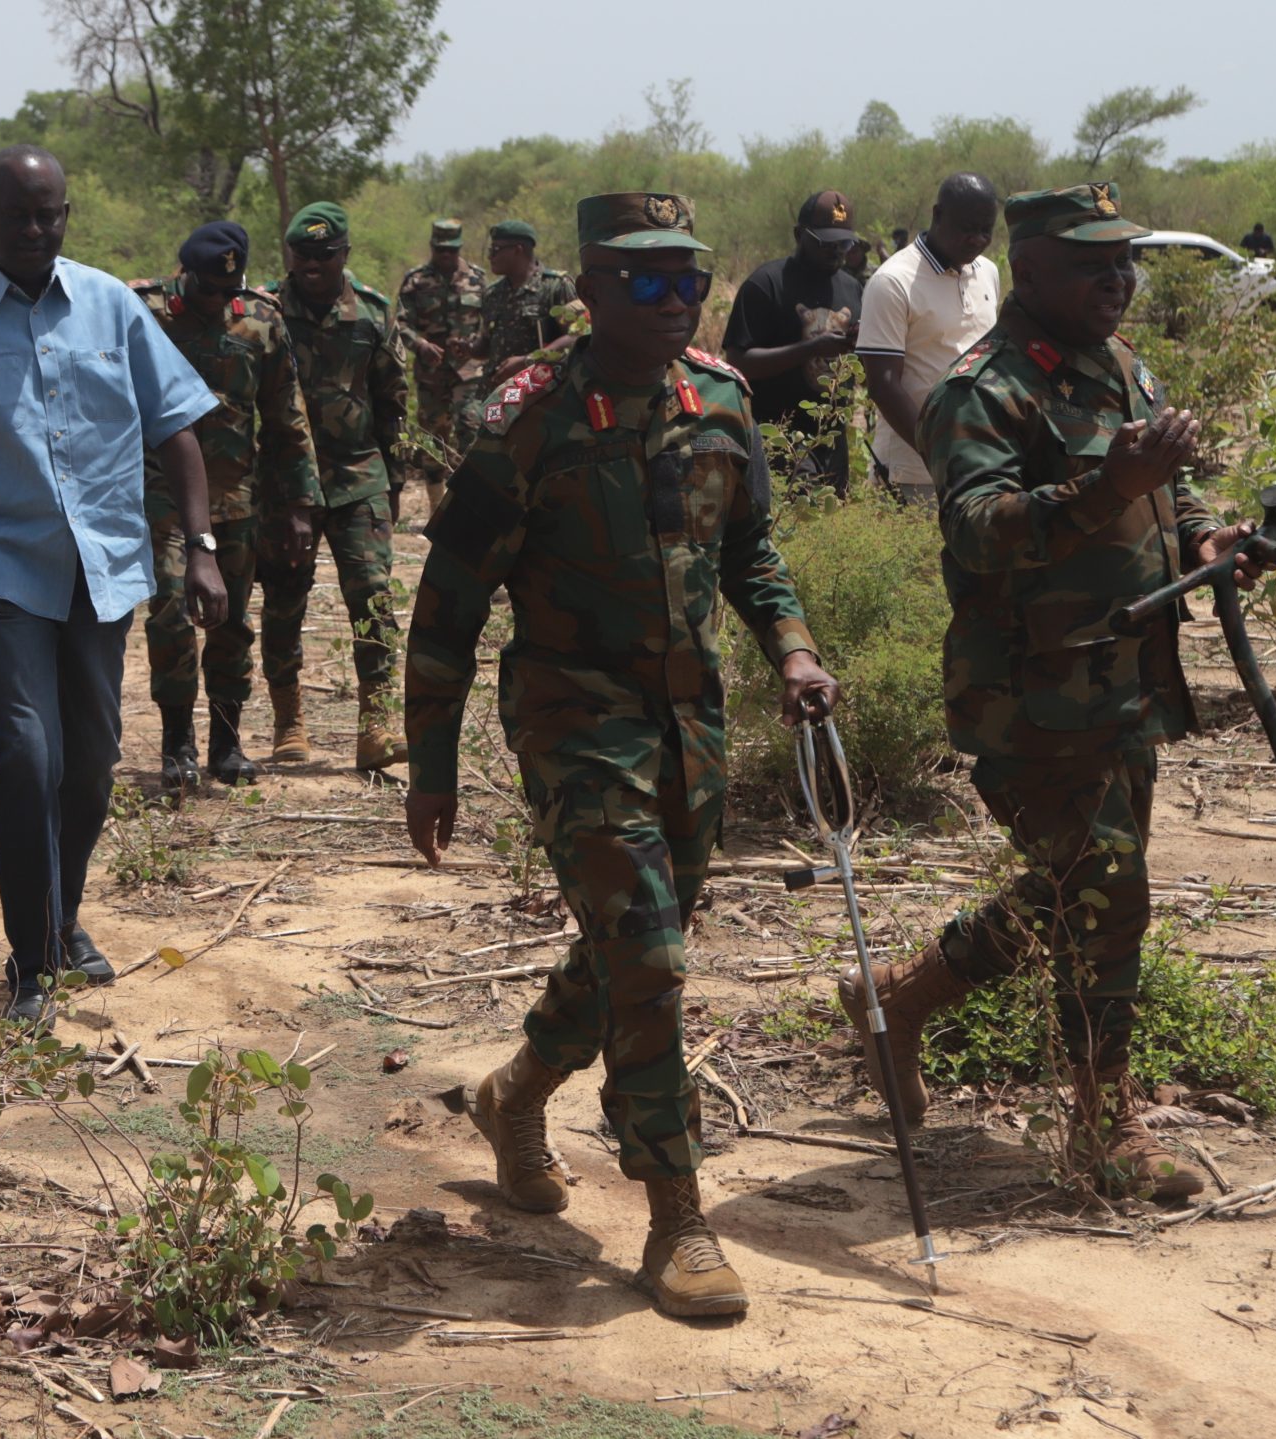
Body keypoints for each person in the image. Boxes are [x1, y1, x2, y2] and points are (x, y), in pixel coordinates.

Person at [405, 190, 838, 1319]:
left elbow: (752, 552)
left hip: (689, 722)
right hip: (572, 713)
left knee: (627, 946)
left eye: (688, 278)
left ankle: (515, 1092)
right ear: (587, 289)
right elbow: (449, 600)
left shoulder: (722, 400)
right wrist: (431, 761)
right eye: (644, 280)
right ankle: (675, 1214)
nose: (673, 299)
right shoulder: (528, 418)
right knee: (647, 950)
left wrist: (791, 650)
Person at [847, 180, 1264, 1204]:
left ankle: (900, 994)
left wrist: (1211, 537)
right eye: (1091, 263)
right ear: (1027, 271)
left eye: (1124, 261)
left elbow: (1174, 487)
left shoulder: (1118, 366)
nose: (1117, 280)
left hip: (1123, 685)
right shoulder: (980, 390)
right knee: (1109, 895)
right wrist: (1101, 488)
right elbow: (978, 531)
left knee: (1078, 891)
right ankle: (1100, 1124)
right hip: (1029, 698)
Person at [0, 146, 222, 1023]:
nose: (35, 230)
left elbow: (177, 427)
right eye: (18, 215)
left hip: (101, 570)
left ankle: (62, 920)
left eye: (50, 214)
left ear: (67, 214)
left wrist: (204, 545)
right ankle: (29, 962)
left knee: (92, 762)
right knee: (27, 757)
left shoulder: (111, 306)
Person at [135, 221, 322, 791]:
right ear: (183, 273)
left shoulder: (261, 320)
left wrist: (299, 504)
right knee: (170, 612)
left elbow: (287, 417)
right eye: (206, 291)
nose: (218, 301)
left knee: (231, 622)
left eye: (227, 291)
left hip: (237, 498)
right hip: (160, 494)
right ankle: (177, 745)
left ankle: (226, 742)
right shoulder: (142, 311)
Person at [259, 202, 412, 773]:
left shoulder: (371, 312)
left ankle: (376, 723)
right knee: (284, 600)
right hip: (285, 482)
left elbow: (393, 399)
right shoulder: (267, 310)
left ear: (344, 254)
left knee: (372, 594)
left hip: (357, 474)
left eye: (324, 256)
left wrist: (394, 482)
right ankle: (288, 719)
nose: (312, 266)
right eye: (302, 256)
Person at [859, 174, 1001, 508]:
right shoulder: (893, 282)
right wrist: (939, 454)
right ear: (938, 216)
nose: (977, 239)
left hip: (979, 467)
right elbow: (884, 385)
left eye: (986, 229)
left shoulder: (988, 272)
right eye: (967, 228)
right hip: (914, 474)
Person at [722, 190, 864, 495]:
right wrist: (810, 349)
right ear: (800, 234)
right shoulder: (766, 284)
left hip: (832, 442)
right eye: (826, 242)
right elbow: (736, 363)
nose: (837, 251)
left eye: (845, 243)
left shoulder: (853, 287)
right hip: (778, 441)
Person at [394, 218, 487, 524]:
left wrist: (476, 344)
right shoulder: (416, 281)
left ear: (459, 248)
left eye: (451, 250)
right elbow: (401, 324)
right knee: (433, 441)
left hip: (469, 372)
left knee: (471, 430)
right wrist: (420, 344)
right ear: (433, 247)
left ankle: (470, 510)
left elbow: (489, 324)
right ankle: (438, 513)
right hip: (431, 375)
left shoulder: (478, 279)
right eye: (440, 250)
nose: (446, 256)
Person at [476, 219, 579, 382]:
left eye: (496, 250)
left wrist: (528, 361)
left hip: (540, 395)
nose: (490, 257)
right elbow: (488, 346)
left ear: (518, 250)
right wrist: (469, 348)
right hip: (495, 395)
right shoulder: (492, 294)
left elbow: (578, 337)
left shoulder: (556, 286)